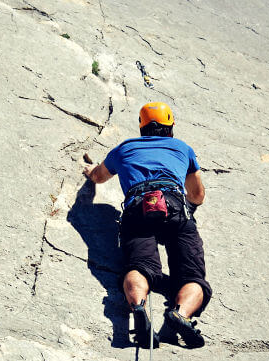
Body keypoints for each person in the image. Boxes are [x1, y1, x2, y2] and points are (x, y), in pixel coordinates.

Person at [83, 102, 212, 348]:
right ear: (170, 126)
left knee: (139, 266)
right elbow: (197, 196)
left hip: (138, 208)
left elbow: (99, 176)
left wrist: (90, 171)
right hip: (175, 206)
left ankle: (139, 307)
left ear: (141, 128)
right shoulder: (182, 148)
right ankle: (180, 314)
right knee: (192, 275)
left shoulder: (125, 148)